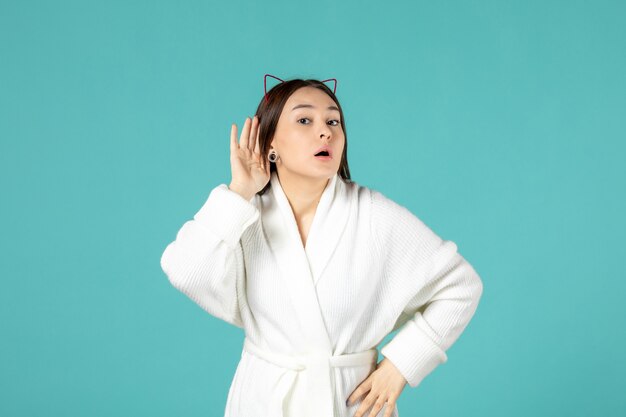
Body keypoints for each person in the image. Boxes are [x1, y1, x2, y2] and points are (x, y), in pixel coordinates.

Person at [160, 75, 484, 417]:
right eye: (304, 120)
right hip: (262, 401)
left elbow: (461, 286)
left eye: (333, 121)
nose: (325, 131)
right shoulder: (244, 213)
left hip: (348, 404)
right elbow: (184, 270)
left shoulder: (374, 216)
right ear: (270, 145)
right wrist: (239, 190)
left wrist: (402, 365)